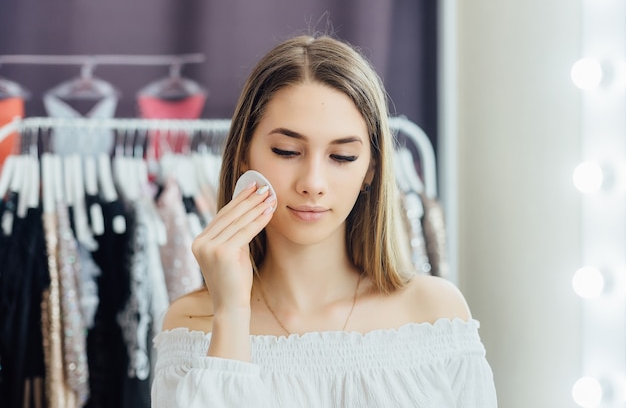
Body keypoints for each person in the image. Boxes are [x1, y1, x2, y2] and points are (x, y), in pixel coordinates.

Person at [151, 34, 497, 408]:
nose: (312, 184)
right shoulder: (191, 324)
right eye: (286, 151)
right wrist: (232, 315)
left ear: (371, 168)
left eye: (343, 156)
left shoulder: (434, 314)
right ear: (243, 156)